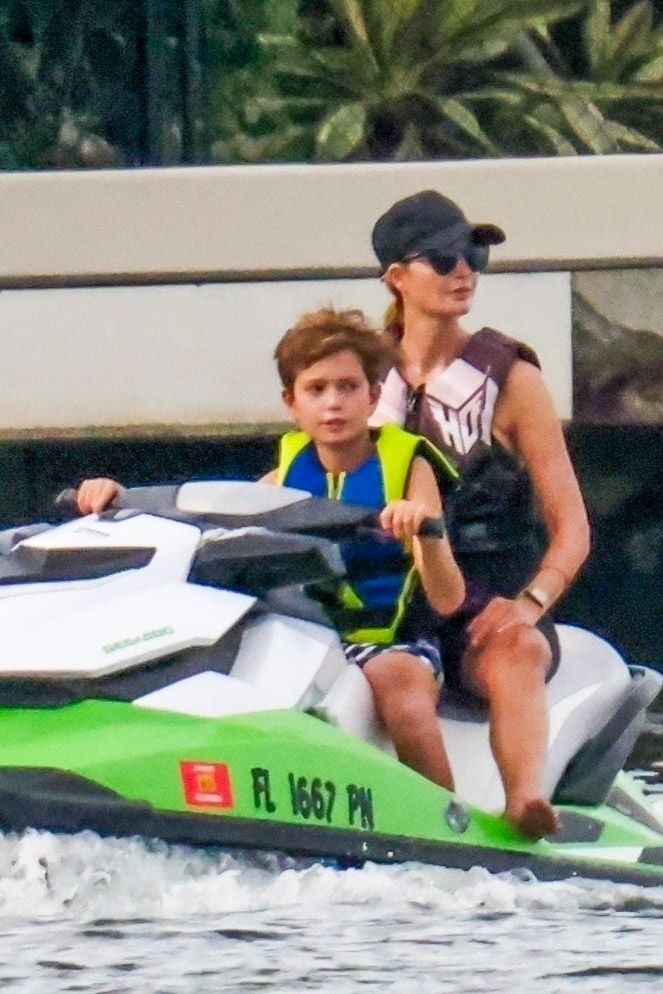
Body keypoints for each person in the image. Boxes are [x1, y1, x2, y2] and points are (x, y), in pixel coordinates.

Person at [76, 308, 466, 791]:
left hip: (390, 641)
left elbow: (448, 598)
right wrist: (112, 499)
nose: (333, 403)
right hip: (305, 636)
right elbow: (205, 522)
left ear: (374, 395)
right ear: (292, 403)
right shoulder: (282, 477)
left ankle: (448, 813)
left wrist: (422, 530)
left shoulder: (409, 466)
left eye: (347, 387)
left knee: (402, 695)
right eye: (316, 389)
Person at [369, 189, 591, 838]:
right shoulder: (358, 376)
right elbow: (292, 480)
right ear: (396, 277)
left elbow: (571, 526)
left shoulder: (512, 380)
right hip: (386, 593)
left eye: (474, 253)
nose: (463, 270)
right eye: (443, 259)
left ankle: (524, 800)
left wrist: (528, 603)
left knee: (515, 650)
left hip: (484, 599)